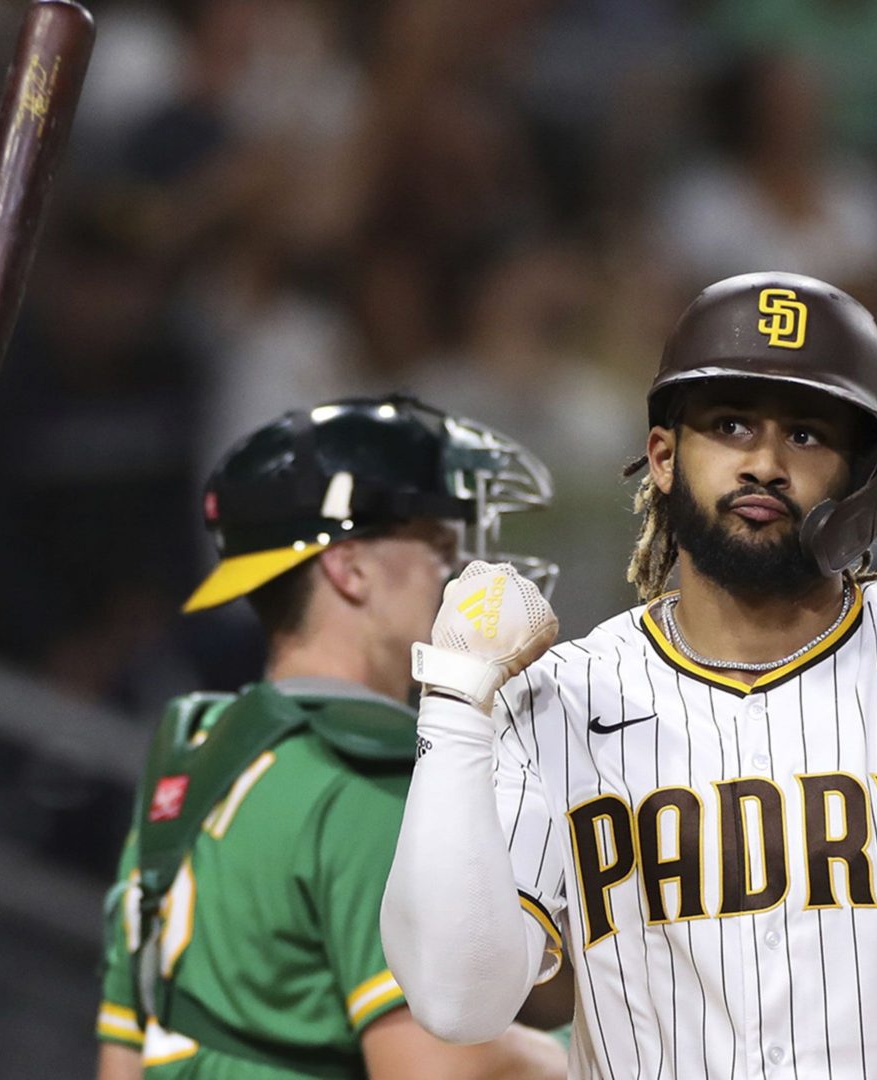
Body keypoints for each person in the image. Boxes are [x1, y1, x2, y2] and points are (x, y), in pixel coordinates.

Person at [381, 273, 877, 1078]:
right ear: (663, 456)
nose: (764, 463)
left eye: (805, 434)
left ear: (864, 479)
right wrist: (454, 697)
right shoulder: (560, 699)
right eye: (730, 425)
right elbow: (456, 1001)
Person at [94, 395, 567, 1080]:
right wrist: (606, 1047)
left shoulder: (193, 749)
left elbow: (122, 1059)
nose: (460, 575)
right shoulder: (367, 782)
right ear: (350, 569)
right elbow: (436, 1073)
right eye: (438, 547)